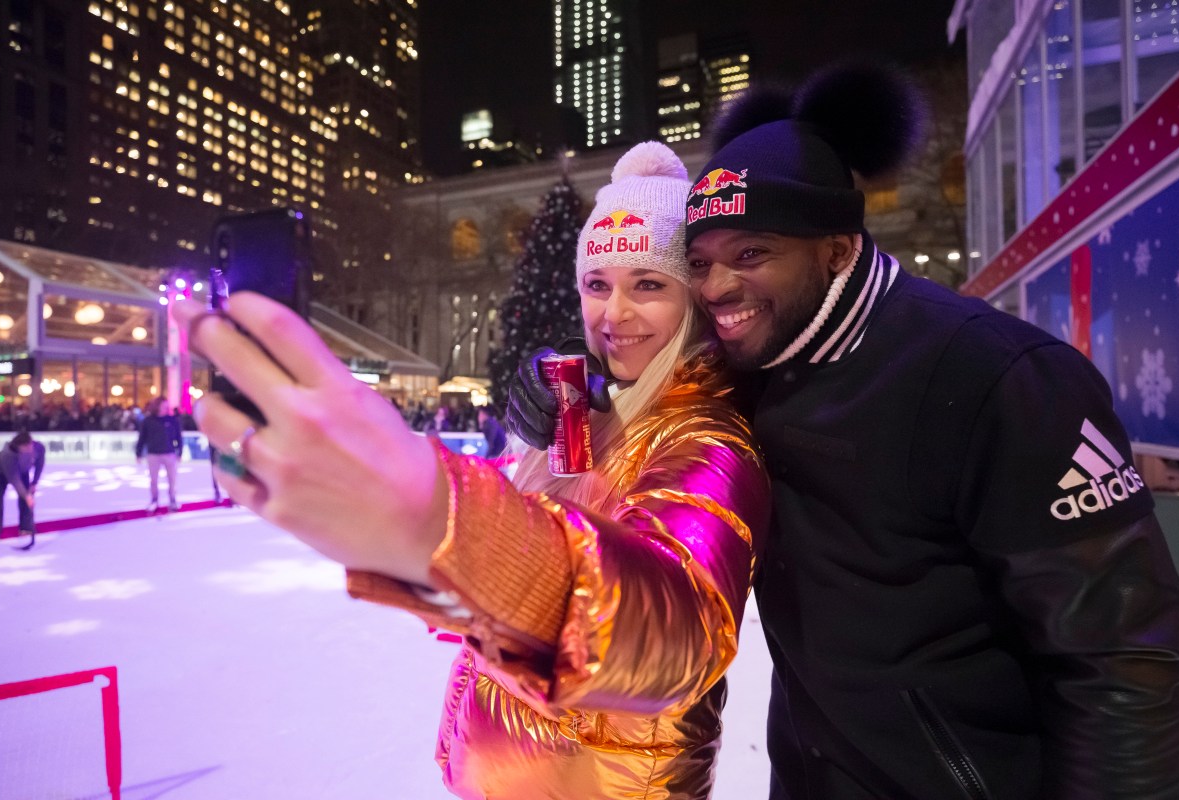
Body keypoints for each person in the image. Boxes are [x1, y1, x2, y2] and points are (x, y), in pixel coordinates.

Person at [507, 64, 1179, 799]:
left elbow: (1126, 663)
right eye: (699, 263)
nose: (716, 287)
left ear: (837, 248)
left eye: (752, 253)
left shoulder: (999, 377)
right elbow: (653, 386)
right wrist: (559, 392)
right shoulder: (756, 363)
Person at [174, 141, 770, 800]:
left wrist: (437, 514)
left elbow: (670, 634)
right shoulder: (591, 416)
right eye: (597, 285)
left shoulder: (711, 442)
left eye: (649, 285)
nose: (614, 314)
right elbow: (500, 603)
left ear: (694, 296)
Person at [135, 396, 184, 512]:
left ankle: (173, 500)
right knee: (153, 480)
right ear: (157, 406)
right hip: (153, 454)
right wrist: (138, 453)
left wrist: (179, 452)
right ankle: (154, 500)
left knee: (172, 479)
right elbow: (142, 438)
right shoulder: (148, 421)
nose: (166, 408)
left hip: (169, 453)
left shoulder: (172, 420)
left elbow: (178, 437)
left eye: (167, 406)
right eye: (163, 405)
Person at [0, 431, 36, 541]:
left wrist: (35, 483)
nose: (29, 448)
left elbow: (39, 463)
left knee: (25, 497)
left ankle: (26, 527)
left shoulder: (37, 448)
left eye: (30, 445)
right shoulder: (8, 455)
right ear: (19, 446)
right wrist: (27, 496)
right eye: (26, 446)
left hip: (23, 472)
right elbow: (14, 479)